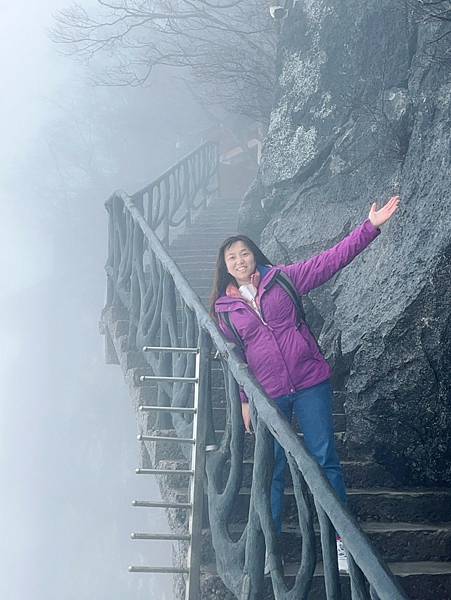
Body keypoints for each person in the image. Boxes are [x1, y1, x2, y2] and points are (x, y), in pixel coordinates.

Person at [210, 196, 400, 573]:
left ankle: (342, 546)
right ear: (225, 267)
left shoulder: (282, 279)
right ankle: (269, 550)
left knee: (326, 460)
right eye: (232, 258)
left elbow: (329, 261)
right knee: (272, 470)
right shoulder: (223, 312)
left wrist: (371, 227)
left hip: (311, 382)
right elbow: (237, 363)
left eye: (244, 253)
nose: (239, 260)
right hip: (269, 397)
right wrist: (247, 400)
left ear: (254, 255)